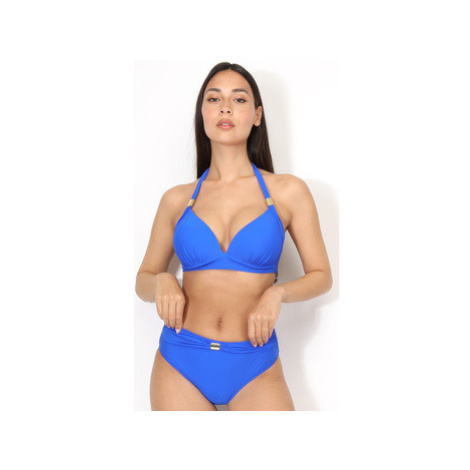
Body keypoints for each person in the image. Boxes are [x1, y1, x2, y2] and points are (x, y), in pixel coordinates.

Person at [135, 62, 333, 411]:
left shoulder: (288, 192)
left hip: (254, 363)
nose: (225, 107)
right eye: (214, 99)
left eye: (239, 99)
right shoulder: (177, 200)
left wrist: (278, 293)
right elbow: (143, 280)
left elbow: (322, 276)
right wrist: (162, 280)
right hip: (180, 359)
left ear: (257, 115)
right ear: (203, 113)